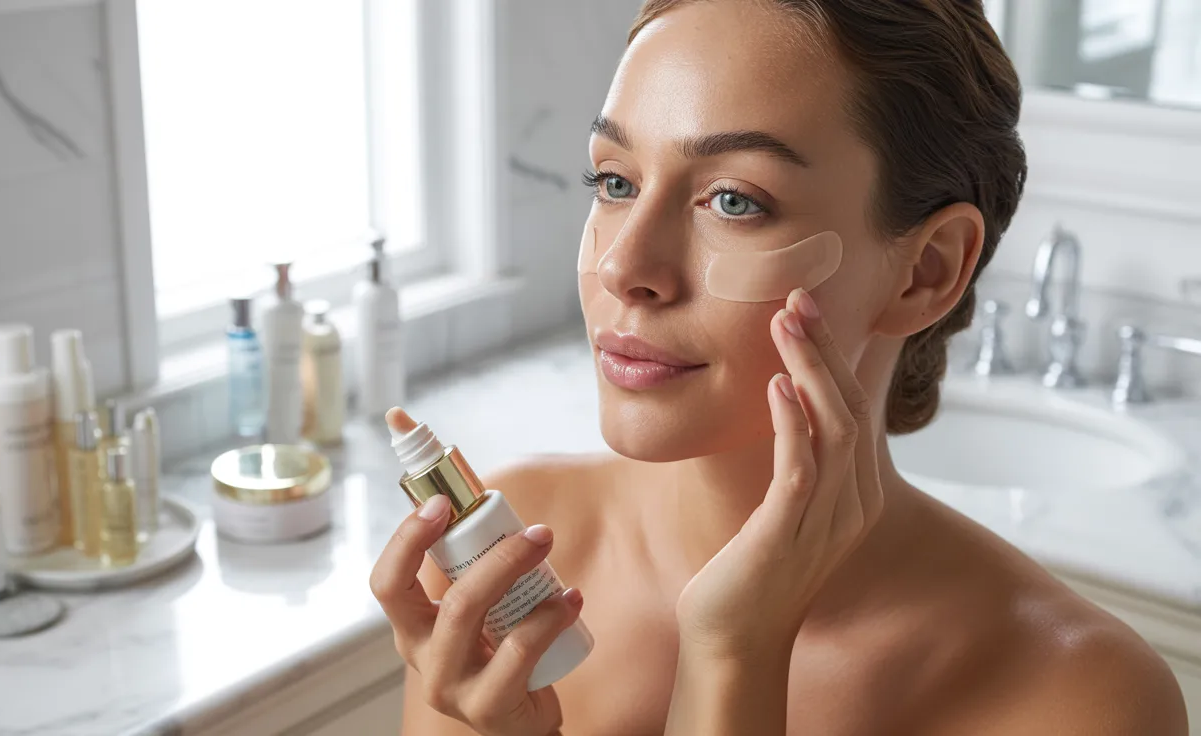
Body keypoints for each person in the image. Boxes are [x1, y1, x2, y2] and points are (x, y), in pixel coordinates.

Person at [370, 1, 1189, 733]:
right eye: (615, 180)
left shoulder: (1081, 698)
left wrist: (733, 654)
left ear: (927, 270)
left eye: (734, 200)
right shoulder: (510, 565)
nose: (624, 266)